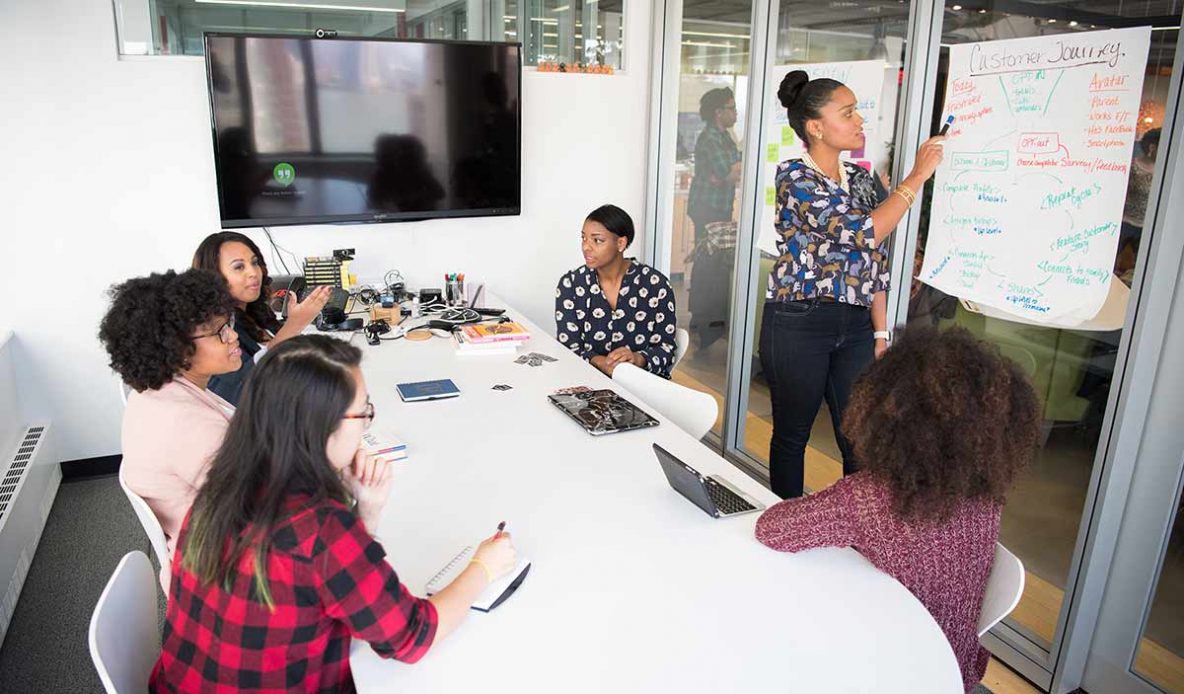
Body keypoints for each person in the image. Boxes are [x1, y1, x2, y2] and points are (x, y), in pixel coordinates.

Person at [151, 336, 518, 691]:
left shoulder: (222, 485)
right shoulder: (320, 528)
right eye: (364, 413)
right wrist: (483, 567)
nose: (366, 426)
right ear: (324, 427)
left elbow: (319, 584)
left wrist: (366, 510)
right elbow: (412, 637)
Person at [755, 327, 1041, 693]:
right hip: (955, 672)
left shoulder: (868, 497)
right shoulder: (985, 498)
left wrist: (836, 498)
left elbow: (772, 529)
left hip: (885, 673)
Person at [760, 70, 945, 499]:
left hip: (857, 324)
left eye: (858, 111)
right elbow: (865, 232)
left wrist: (880, 332)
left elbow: (873, 261)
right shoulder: (796, 178)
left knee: (859, 439)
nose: (859, 121)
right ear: (815, 127)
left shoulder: (861, 179)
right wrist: (916, 176)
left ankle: (856, 531)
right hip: (799, 320)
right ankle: (785, 523)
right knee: (793, 434)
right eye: (848, 112)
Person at [98, 269, 241, 559]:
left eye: (229, 323)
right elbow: (265, 512)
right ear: (177, 349)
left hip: (204, 544)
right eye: (218, 331)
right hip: (227, 569)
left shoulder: (154, 393)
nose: (233, 335)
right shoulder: (190, 427)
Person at [192, 231, 331, 405]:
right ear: (213, 277)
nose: (253, 272)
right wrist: (294, 326)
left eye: (254, 263)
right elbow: (242, 393)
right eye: (238, 267)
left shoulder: (256, 313)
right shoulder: (215, 334)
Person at [555, 204, 678, 378]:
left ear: (621, 243)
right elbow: (568, 348)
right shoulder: (571, 285)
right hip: (588, 383)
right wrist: (601, 362)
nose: (586, 247)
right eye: (584, 238)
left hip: (642, 388)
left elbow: (666, 349)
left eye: (597, 240)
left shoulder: (655, 285)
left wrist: (637, 359)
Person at [687, 87, 741, 351]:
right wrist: (729, 172)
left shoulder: (725, 137)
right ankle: (702, 319)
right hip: (707, 208)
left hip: (718, 205)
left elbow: (734, 169)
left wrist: (730, 172)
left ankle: (705, 320)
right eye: (731, 108)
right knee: (706, 261)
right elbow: (729, 171)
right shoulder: (711, 138)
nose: (735, 112)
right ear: (719, 112)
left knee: (711, 262)